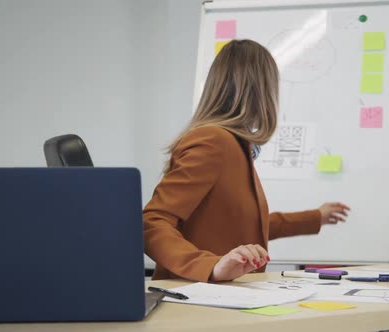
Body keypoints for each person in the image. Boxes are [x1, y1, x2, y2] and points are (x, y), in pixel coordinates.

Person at [143, 39, 350, 282]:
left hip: (221, 298)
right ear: (262, 91)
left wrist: (316, 217)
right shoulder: (213, 141)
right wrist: (210, 266)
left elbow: (250, 224)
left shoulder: (236, 147)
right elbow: (152, 222)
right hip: (195, 297)